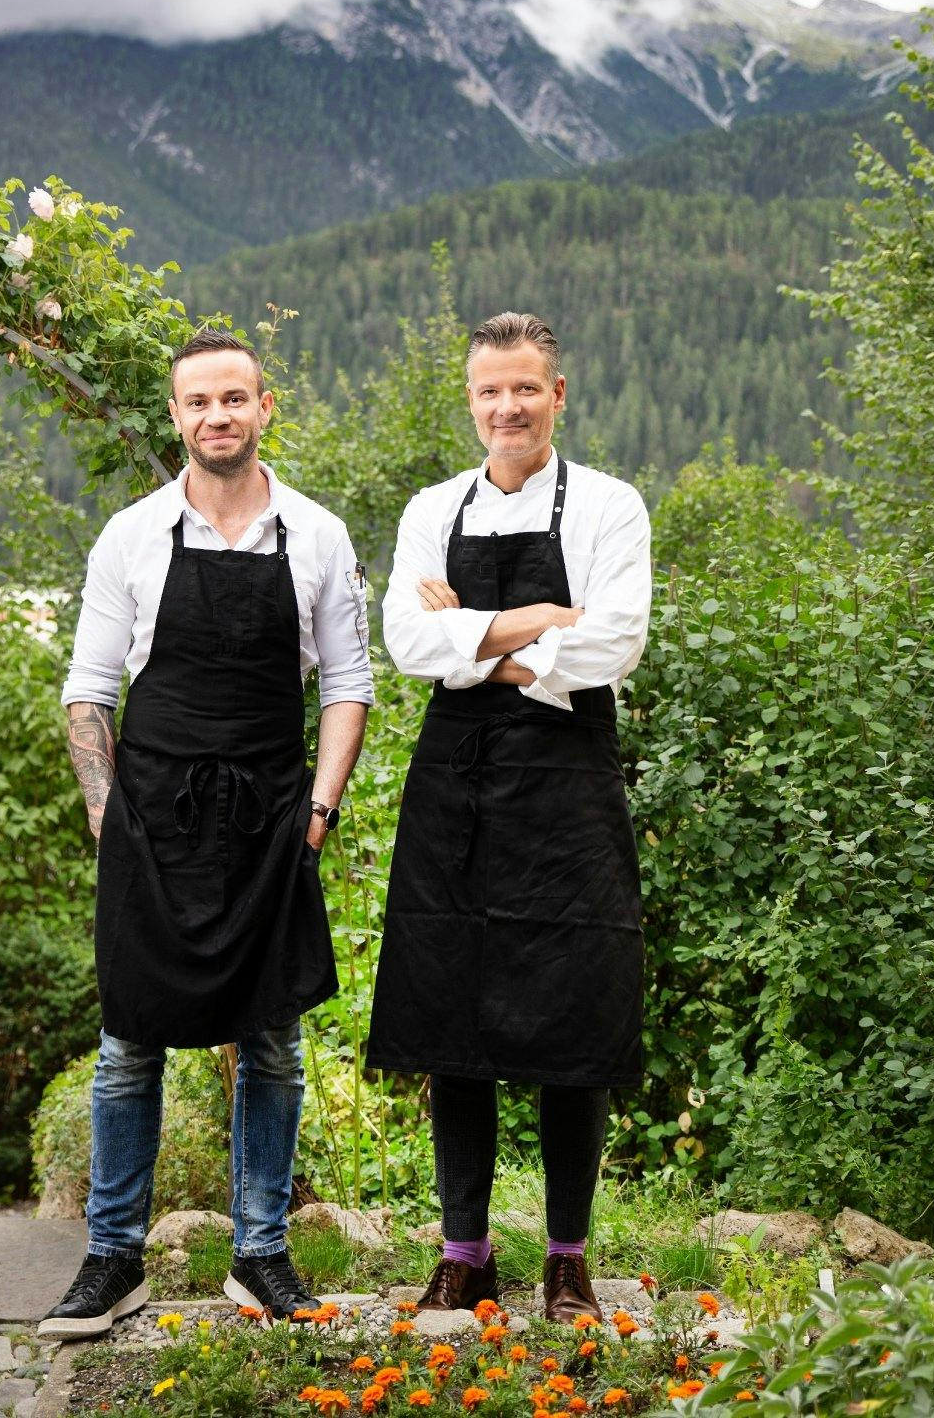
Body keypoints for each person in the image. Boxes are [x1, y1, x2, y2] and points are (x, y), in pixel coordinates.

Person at [39, 328, 372, 1338]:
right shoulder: (132, 535)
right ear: (177, 415)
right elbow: (89, 690)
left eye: (234, 398)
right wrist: (108, 815)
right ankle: (113, 1260)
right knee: (127, 1045)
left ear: (265, 407)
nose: (216, 416)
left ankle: (260, 1256)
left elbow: (348, 684)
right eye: (198, 402)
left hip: (273, 820)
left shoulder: (317, 536)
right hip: (152, 818)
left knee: (272, 1043)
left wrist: (317, 812)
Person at [367, 311, 651, 1322]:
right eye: (490, 390)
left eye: (526, 387)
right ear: (471, 398)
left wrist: (473, 643)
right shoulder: (430, 509)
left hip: (568, 788)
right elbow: (406, 641)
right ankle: (465, 1254)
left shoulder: (610, 506)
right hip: (455, 790)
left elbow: (614, 643)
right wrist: (537, 622)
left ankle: (568, 1260)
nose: (508, 407)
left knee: (576, 1016)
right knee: (453, 1017)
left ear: (556, 395)